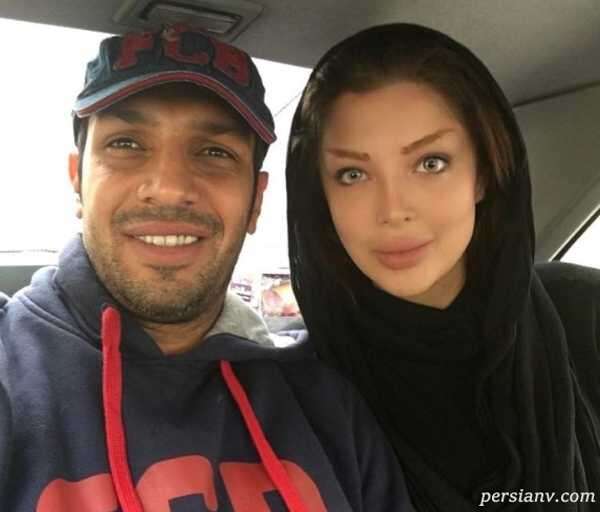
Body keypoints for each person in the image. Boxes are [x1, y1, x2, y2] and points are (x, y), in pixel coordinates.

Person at [0, 24, 414, 512]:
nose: (170, 187)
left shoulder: (327, 407)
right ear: (77, 180)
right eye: (126, 144)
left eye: (215, 152)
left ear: (256, 202)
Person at [286, 23, 600, 511]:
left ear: (483, 173)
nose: (393, 210)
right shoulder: (300, 398)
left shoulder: (585, 312)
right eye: (353, 174)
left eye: (430, 163)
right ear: (320, 197)